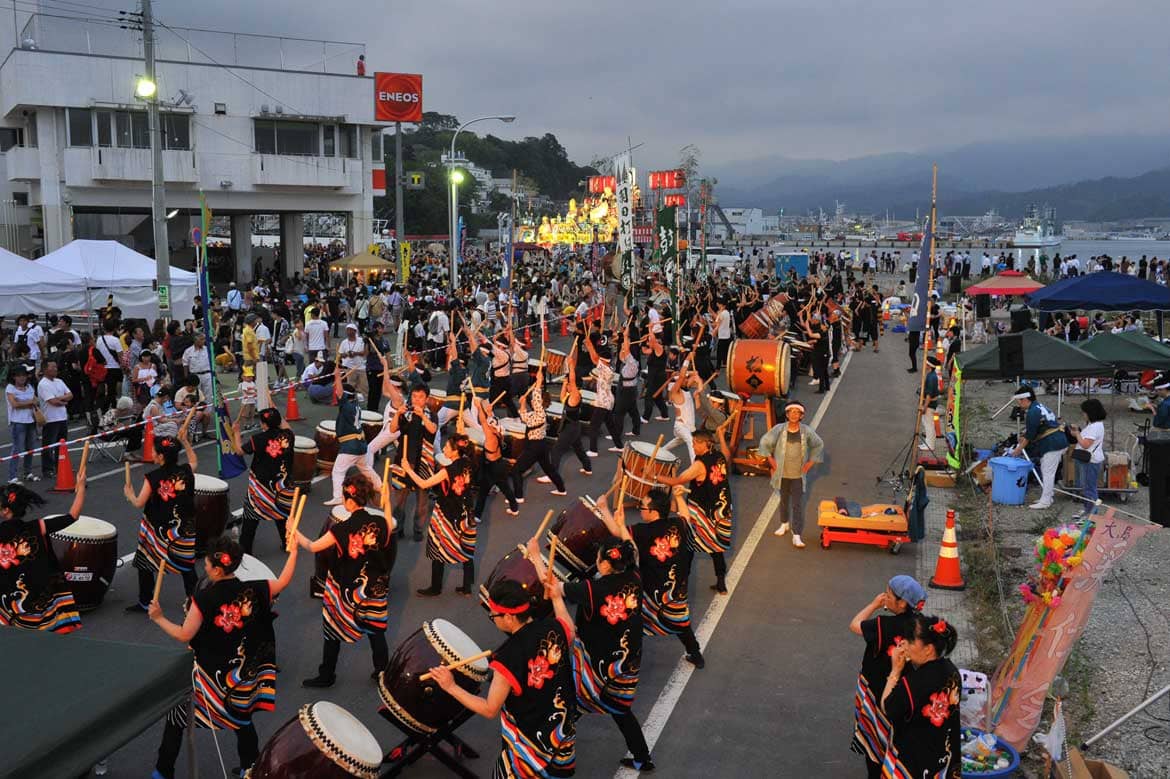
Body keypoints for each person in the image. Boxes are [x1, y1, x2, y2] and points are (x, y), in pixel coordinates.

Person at [148, 536, 298, 779]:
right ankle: (250, 769)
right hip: (242, 673)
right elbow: (283, 580)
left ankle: (163, 772)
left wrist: (158, 617)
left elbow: (184, 634)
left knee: (176, 717)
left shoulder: (205, 599)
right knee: (242, 719)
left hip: (210, 676)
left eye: (207, 564)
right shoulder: (256, 587)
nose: (204, 567)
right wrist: (294, 551)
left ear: (218, 569)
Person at [426, 578, 577, 778]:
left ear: (509, 618)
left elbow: (490, 708)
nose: (492, 617)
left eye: (494, 614)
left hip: (530, 743)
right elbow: (570, 630)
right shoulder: (552, 627)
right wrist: (557, 598)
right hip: (561, 730)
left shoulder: (508, 657)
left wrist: (451, 686)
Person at [530, 533, 654, 772]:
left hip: (595, 664)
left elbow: (552, 587)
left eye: (599, 557)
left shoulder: (593, 589)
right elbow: (634, 551)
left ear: (606, 564)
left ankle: (543, 756)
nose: (596, 560)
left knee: (570, 707)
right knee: (620, 709)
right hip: (626, 660)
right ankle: (642, 758)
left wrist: (535, 557)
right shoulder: (635, 576)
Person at [299, 471, 395, 687]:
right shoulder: (380, 522)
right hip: (375, 587)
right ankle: (382, 671)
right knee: (376, 629)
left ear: (350, 501)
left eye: (344, 498)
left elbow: (313, 546)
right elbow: (389, 523)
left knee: (333, 626)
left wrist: (295, 534)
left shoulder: (341, 529)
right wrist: (387, 503)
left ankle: (327, 675)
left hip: (348, 588)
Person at [848, 575, 928, 779]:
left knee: (875, 746)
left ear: (902, 603)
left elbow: (855, 624)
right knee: (896, 746)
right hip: (905, 699)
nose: (885, 597)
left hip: (878, 695)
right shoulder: (923, 628)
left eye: (889, 594)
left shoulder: (884, 626)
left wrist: (874, 604)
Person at [124, 410, 201, 612]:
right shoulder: (185, 471)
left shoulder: (153, 477)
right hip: (183, 526)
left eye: (155, 451)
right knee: (186, 565)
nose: (152, 454)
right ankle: (194, 601)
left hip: (157, 527)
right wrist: (185, 442)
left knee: (146, 562)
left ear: (160, 456)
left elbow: (139, 502)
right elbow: (194, 461)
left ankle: (145, 601)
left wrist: (129, 493)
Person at [624, 486, 705, 667]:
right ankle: (695, 654)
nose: (641, 510)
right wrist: (679, 497)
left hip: (650, 590)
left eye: (643, 507)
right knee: (680, 622)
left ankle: (630, 662)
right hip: (674, 589)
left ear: (653, 512)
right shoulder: (676, 525)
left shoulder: (642, 531)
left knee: (636, 625)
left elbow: (620, 535)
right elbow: (686, 516)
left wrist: (606, 512)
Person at [0, 471, 87, 631]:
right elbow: (72, 516)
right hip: (36, 595)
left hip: (9, 597)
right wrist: (81, 488)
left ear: (6, 510)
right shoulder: (35, 527)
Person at [880, 614, 962, 779]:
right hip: (942, 755)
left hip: (913, 760)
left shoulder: (912, 685)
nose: (904, 644)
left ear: (928, 649)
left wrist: (895, 671)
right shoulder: (953, 672)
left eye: (910, 641)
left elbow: (887, 707)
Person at [658, 426, 735, 593]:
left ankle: (682, 585)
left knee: (688, 547)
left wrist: (653, 476)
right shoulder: (718, 456)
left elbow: (677, 480)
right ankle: (721, 583)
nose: (692, 446)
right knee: (716, 548)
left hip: (701, 510)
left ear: (705, 444)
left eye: (695, 443)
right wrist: (721, 436)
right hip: (720, 509)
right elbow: (727, 456)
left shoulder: (700, 464)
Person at [403, 433, 478, 597]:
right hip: (466, 512)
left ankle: (435, 588)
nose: (443, 448)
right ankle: (467, 587)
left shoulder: (448, 471)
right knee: (466, 546)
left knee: (437, 546)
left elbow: (423, 483)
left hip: (447, 513)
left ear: (454, 451)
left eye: (446, 447)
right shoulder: (468, 463)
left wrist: (408, 469)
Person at [758, 400, 824, 549]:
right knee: (783, 500)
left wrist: (809, 464)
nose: (794, 414)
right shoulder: (779, 429)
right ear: (787, 414)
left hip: (798, 475)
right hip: (782, 473)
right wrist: (771, 461)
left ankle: (797, 535)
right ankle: (784, 523)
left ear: (801, 416)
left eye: (797, 412)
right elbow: (765, 442)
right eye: (791, 412)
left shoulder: (806, 431)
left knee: (797, 504)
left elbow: (818, 444)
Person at [233, 407, 295, 554]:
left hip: (261, 487)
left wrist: (236, 432)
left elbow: (239, 451)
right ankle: (287, 543)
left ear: (264, 424)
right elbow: (287, 426)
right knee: (281, 515)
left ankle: (246, 550)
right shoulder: (288, 436)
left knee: (251, 518)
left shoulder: (258, 439)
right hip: (282, 486)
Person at [325, 365, 382, 507]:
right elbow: (342, 393)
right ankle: (379, 485)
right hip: (360, 444)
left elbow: (339, 393)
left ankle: (338, 496)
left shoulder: (346, 406)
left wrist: (337, 376)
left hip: (350, 446)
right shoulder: (356, 404)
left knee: (338, 471)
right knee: (365, 467)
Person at [388, 383, 437, 539]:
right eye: (414, 396)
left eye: (421, 397)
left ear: (427, 399)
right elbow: (392, 429)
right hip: (403, 460)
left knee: (422, 502)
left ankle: (418, 530)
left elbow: (433, 429)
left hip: (424, 463)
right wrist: (397, 414)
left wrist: (422, 415)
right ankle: (398, 529)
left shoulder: (431, 415)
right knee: (399, 499)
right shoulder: (406, 413)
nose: (417, 400)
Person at [1008, 385, 1068, 510]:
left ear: (1025, 400)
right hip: (1056, 440)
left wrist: (1017, 450)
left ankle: (1046, 501)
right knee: (1047, 471)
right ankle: (1047, 496)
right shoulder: (1038, 406)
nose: (1018, 404)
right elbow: (1033, 431)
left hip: (1053, 443)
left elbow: (1030, 437)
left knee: (1047, 472)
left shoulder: (1032, 412)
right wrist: (1024, 437)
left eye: (1019, 401)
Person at [512, 368, 569, 499]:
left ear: (539, 402)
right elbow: (524, 417)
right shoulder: (538, 414)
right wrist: (522, 404)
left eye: (535, 399)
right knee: (549, 469)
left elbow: (536, 398)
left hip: (534, 447)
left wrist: (539, 381)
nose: (532, 400)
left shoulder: (540, 413)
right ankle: (561, 489)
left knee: (516, 470)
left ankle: (518, 497)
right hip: (541, 446)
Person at [1069, 398, 1107, 516]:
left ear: (1090, 413)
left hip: (1090, 461)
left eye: (1084, 412)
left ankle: (1091, 514)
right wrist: (1078, 432)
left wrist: (1077, 434)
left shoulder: (1095, 426)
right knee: (1087, 486)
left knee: (1088, 488)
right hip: (1089, 460)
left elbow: (1085, 444)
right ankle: (1088, 511)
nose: (1083, 414)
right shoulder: (1095, 425)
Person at [36, 358, 72, 481]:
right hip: (50, 419)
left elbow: (70, 395)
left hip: (62, 417)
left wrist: (60, 399)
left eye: (56, 367)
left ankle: (60, 466)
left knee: (61, 445)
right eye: (52, 367)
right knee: (48, 445)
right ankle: (48, 469)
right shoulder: (43, 384)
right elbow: (52, 402)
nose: (55, 369)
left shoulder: (59, 381)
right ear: (45, 369)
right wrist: (62, 400)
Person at [5, 364, 39, 483]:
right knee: (17, 449)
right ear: (14, 377)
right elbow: (14, 405)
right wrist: (29, 402)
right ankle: (12, 476)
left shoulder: (29, 387)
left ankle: (28, 472)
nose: (22, 378)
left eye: (24, 376)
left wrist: (23, 402)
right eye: (19, 376)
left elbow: (36, 401)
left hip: (31, 420)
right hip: (18, 421)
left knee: (30, 448)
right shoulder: (10, 388)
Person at [919, 355, 942, 452]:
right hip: (929, 403)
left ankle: (930, 445)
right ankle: (928, 442)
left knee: (929, 424)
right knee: (926, 423)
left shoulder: (931, 377)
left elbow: (929, 394)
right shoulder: (930, 375)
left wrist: (925, 406)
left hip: (929, 404)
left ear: (928, 365)